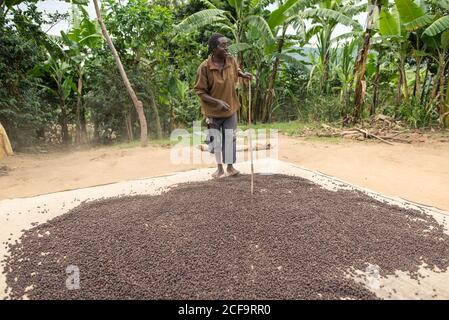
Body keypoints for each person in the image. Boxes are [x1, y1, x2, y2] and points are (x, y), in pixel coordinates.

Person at [194, 33, 252, 178]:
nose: (227, 48)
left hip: (230, 108)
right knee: (216, 140)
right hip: (213, 112)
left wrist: (243, 74)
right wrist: (217, 102)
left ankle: (230, 167)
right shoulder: (204, 68)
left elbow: (235, 71)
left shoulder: (231, 61)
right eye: (223, 45)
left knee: (230, 138)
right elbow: (200, 91)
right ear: (214, 49)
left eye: (227, 44)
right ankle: (219, 168)